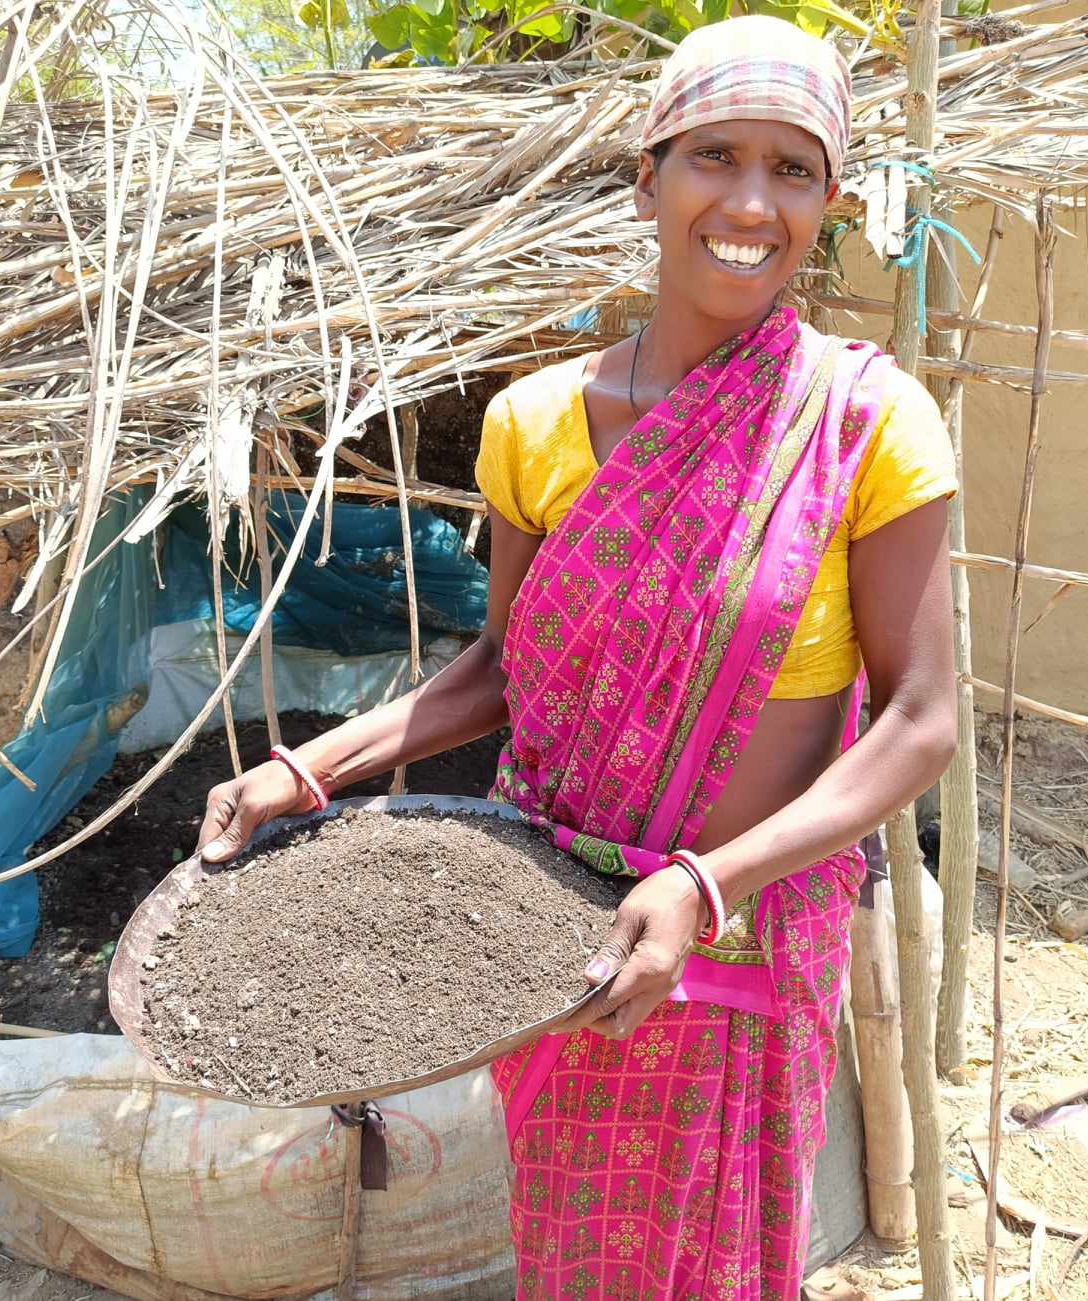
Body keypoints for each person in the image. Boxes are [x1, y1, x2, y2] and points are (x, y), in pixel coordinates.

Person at [197, 15, 958, 1299]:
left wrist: (706, 889)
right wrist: (304, 773)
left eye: (794, 170)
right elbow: (503, 670)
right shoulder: (535, 423)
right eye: (715, 155)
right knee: (576, 1256)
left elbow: (919, 720)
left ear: (830, 200)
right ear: (647, 173)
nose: (751, 202)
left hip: (744, 940)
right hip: (559, 937)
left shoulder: (867, 424)